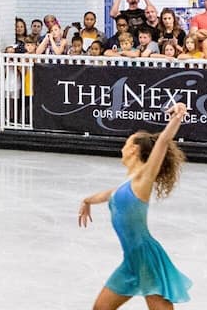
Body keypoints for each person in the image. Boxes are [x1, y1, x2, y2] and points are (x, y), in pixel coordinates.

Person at [78, 103, 191, 309]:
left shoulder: (144, 178)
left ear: (133, 149)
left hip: (147, 258)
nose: (122, 147)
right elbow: (108, 195)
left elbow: (163, 142)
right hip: (131, 261)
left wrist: (177, 116)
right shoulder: (127, 184)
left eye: (125, 143)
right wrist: (87, 200)